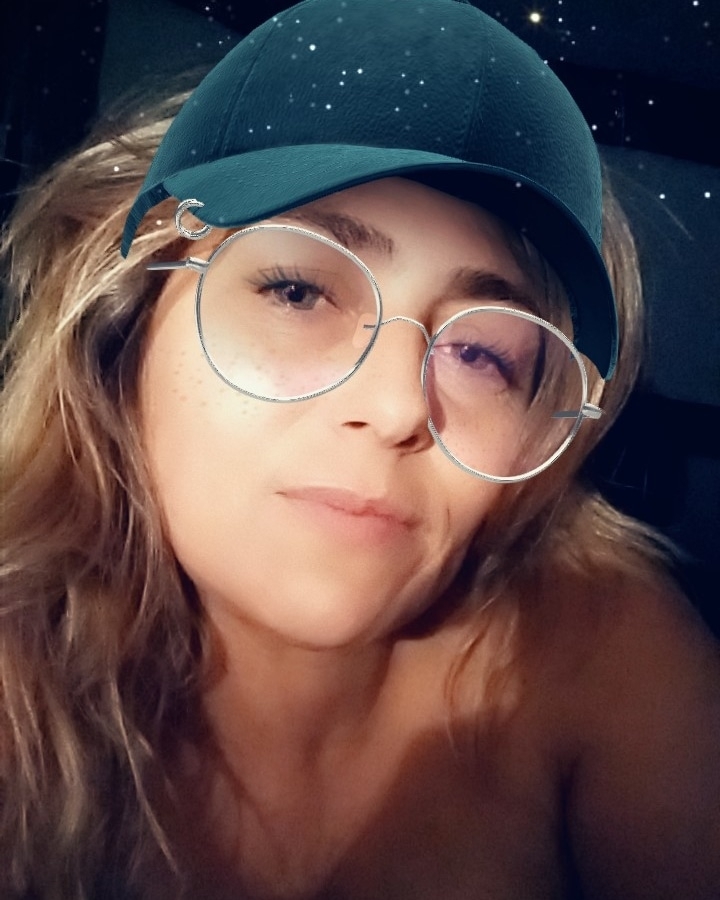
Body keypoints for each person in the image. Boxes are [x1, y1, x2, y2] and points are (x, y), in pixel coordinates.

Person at [1, 0, 718, 897]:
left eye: (483, 354)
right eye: (298, 291)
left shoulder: (599, 644)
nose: (395, 407)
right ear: (128, 321)